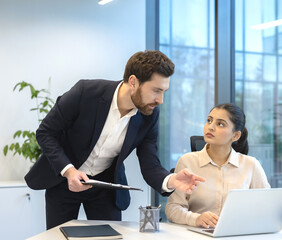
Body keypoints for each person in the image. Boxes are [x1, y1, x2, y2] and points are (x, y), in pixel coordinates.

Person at [24, 50, 205, 229]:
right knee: (58, 236)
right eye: (156, 91)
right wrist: (69, 171)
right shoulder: (86, 92)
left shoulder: (150, 115)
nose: (160, 100)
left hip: (104, 186)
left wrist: (171, 180)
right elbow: (45, 132)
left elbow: (150, 164)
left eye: (164, 91)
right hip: (65, 180)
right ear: (133, 82)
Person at [165, 103, 270, 229]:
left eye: (220, 124)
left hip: (237, 234)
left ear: (235, 135)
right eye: (209, 121)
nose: (211, 127)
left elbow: (267, 209)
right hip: (198, 235)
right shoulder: (187, 161)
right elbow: (172, 209)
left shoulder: (251, 165)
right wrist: (196, 218)